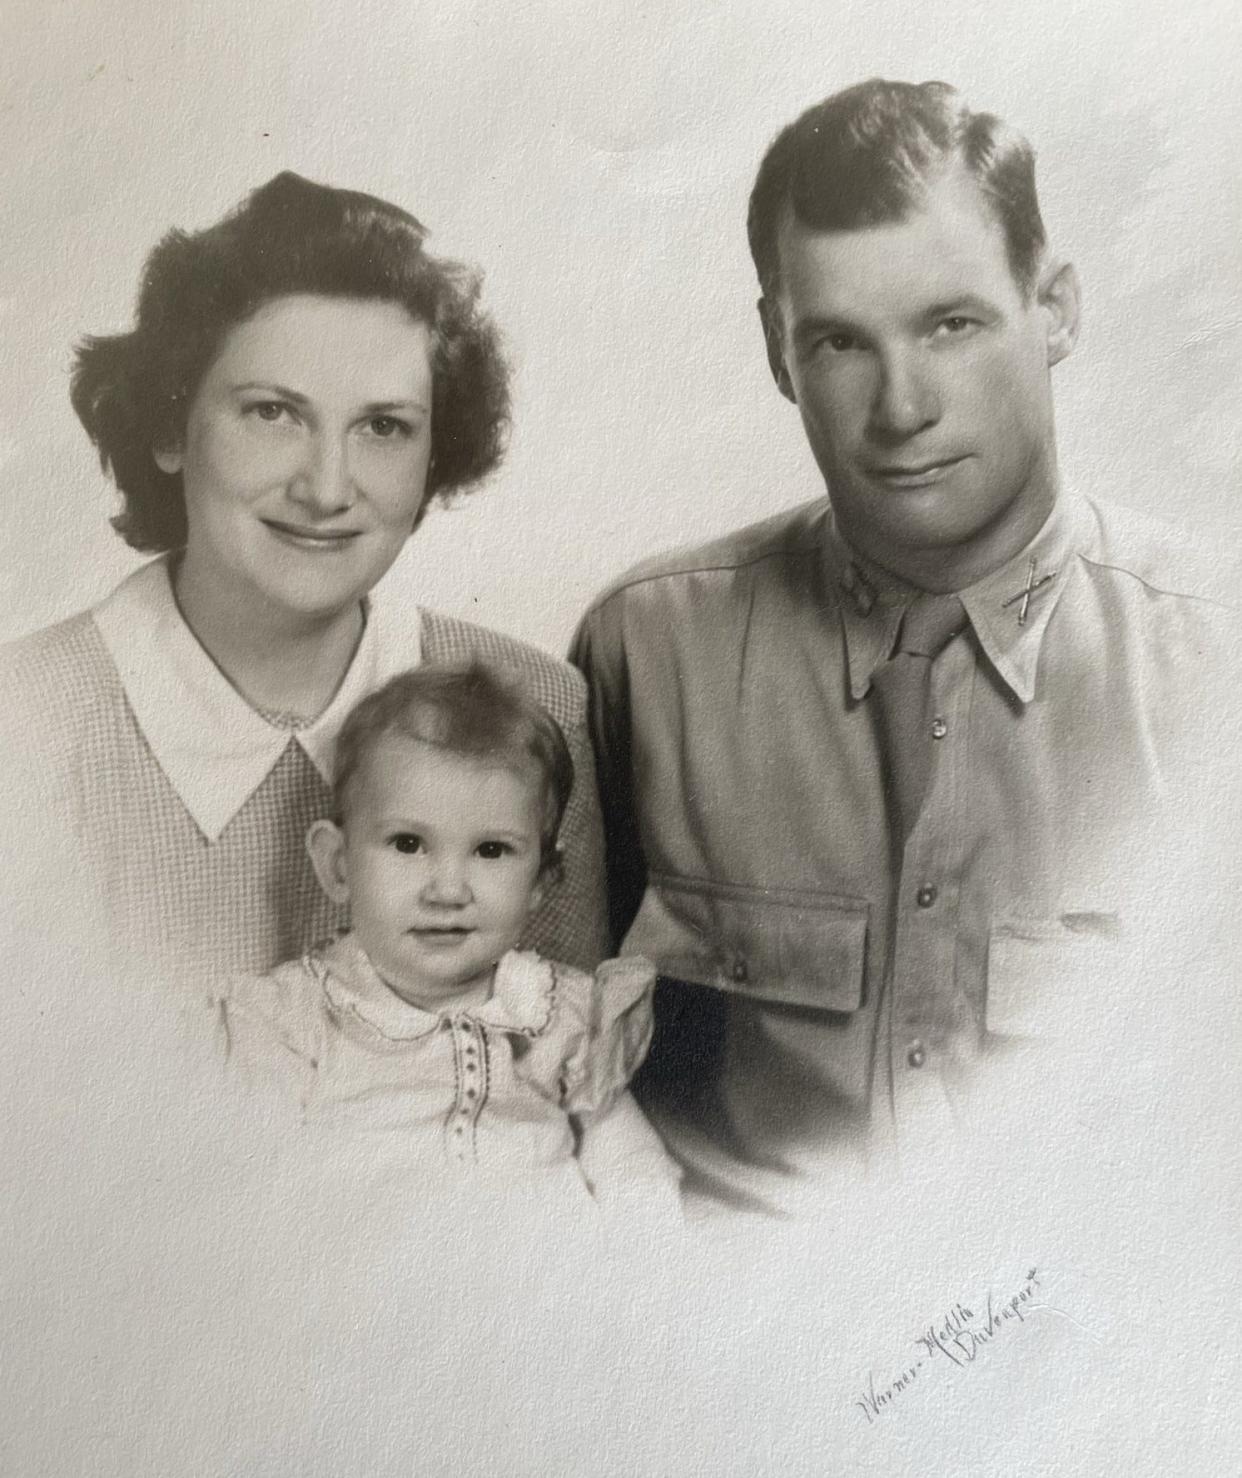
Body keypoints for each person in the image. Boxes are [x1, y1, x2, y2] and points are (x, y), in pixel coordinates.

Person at [570, 79, 1239, 1207]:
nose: (902, 405)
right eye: (839, 341)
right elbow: (540, 1065)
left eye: (952, 323)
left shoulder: (1217, 666)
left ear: (1058, 308)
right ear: (779, 353)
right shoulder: (645, 649)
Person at [0, 172, 605, 978]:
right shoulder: (23, 727)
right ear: (168, 428)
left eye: (385, 427)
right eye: (272, 413)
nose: (326, 488)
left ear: (434, 457)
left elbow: (560, 1072)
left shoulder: (540, 706)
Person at [217, 663, 681, 1210]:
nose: (447, 890)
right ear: (339, 866)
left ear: (541, 881)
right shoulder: (292, 1020)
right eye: (408, 843)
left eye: (490, 851)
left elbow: (626, 1160)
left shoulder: (564, 1014)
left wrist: (643, 1244)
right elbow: (248, 1178)